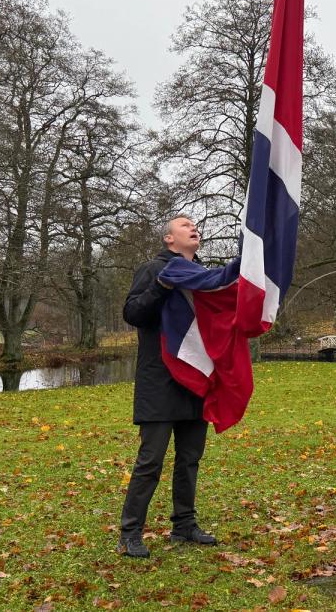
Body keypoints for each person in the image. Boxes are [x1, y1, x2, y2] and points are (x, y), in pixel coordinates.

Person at [117, 215, 217, 558]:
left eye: (195, 225)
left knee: (190, 459)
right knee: (150, 461)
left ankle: (184, 526)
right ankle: (130, 534)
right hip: (160, 381)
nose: (194, 227)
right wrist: (163, 286)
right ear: (169, 239)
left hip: (195, 379)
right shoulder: (152, 269)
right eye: (185, 224)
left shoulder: (204, 277)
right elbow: (133, 313)